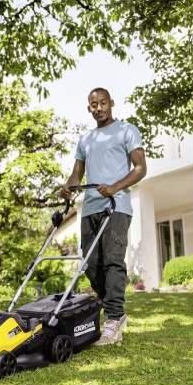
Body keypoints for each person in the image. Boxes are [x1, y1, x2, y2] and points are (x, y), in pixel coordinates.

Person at [60, 87, 147, 346]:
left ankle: (113, 318)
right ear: (89, 108)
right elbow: (77, 175)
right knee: (91, 264)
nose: (99, 108)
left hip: (116, 205)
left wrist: (115, 187)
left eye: (103, 103)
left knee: (113, 261)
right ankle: (113, 312)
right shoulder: (86, 140)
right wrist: (68, 187)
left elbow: (140, 168)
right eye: (93, 104)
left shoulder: (127, 130)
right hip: (90, 208)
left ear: (111, 103)